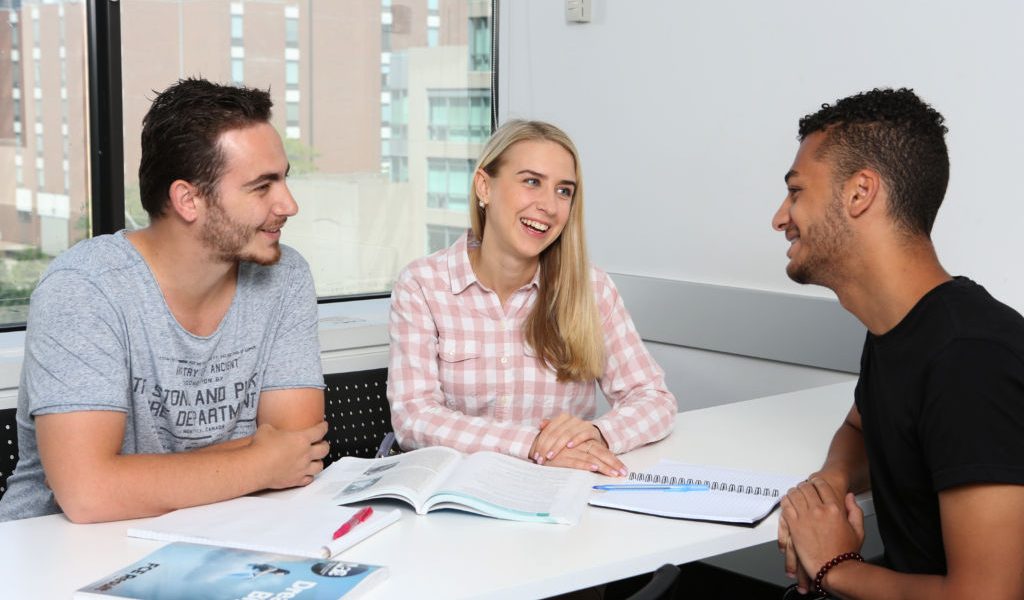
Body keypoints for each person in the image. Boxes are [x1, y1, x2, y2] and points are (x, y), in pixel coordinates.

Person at [0, 78, 329, 524]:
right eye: (261, 186)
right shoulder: (83, 288)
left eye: (284, 179)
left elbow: (297, 449)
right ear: (188, 199)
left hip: (223, 530)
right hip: (55, 553)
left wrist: (135, 479)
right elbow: (88, 494)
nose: (288, 205)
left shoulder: (284, 274)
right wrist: (259, 462)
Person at [771, 88, 1024, 599]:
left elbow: (988, 597)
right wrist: (830, 482)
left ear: (860, 192)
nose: (780, 217)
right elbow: (858, 425)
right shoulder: (900, 325)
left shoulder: (971, 359)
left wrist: (835, 566)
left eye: (796, 191)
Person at [387, 120, 677, 477]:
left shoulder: (591, 288)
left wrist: (599, 432)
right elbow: (413, 416)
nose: (549, 206)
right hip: (459, 495)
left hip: (561, 491)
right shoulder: (423, 285)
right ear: (484, 186)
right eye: (531, 182)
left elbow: (654, 399)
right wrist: (532, 446)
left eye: (564, 191)